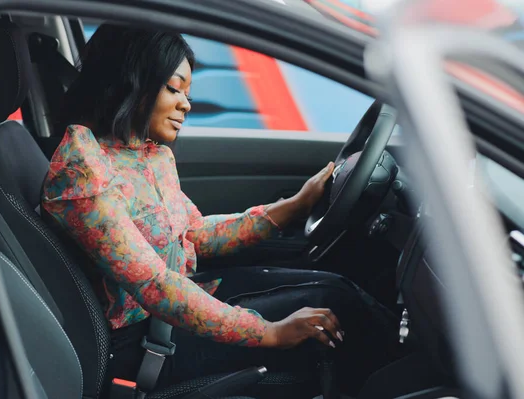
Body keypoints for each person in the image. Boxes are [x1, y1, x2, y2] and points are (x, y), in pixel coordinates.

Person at [42, 25, 400, 398]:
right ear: (131, 81)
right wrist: (271, 332)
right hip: (141, 344)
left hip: (178, 302)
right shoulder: (84, 170)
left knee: (333, 286)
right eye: (173, 88)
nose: (186, 104)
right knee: (332, 302)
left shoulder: (147, 153)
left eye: (188, 92)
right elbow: (154, 286)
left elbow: (194, 235)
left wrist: (293, 206)